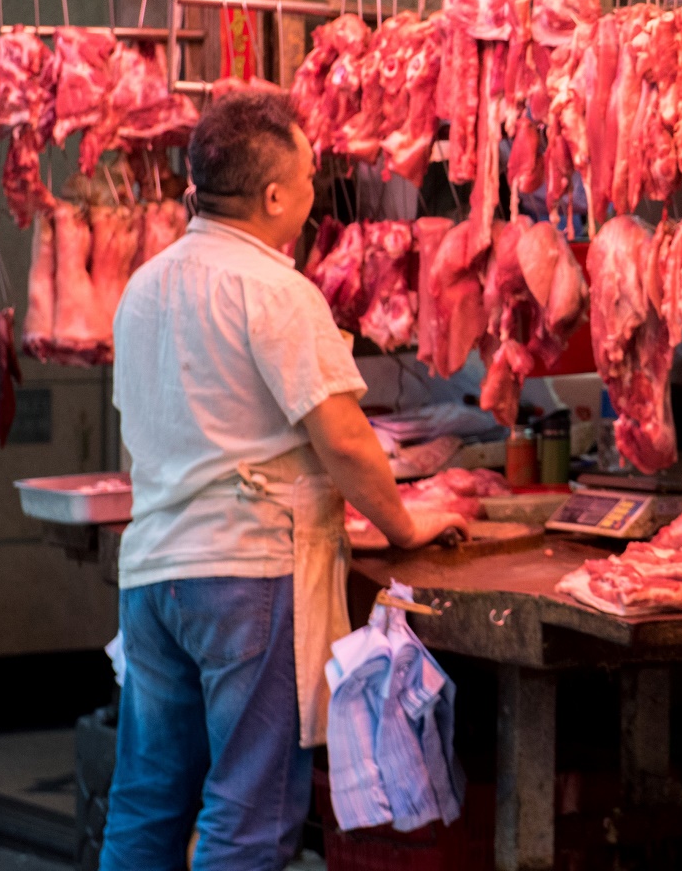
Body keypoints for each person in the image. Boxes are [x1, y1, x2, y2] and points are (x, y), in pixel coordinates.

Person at [101, 92, 465, 870]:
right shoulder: (277, 292)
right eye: (309, 176)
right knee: (250, 809)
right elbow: (343, 440)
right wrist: (405, 528)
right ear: (274, 196)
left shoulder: (144, 288)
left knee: (147, 798)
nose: (313, 191)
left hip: (154, 576)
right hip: (247, 575)